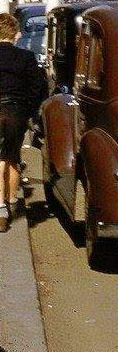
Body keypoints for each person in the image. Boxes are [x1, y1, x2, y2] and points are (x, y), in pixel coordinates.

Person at [0, 13, 46, 232]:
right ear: (15, 35)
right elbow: (37, 87)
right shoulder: (26, 57)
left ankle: (0, 207)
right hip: (15, 111)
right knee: (12, 157)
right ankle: (11, 202)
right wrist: (26, 110)